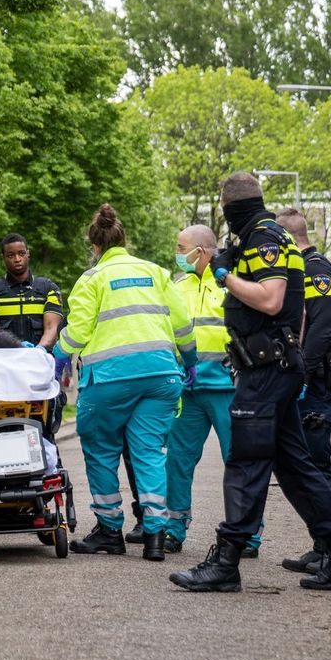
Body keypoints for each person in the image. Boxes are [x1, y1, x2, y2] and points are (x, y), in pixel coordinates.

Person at [169, 172, 331, 592]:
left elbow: (272, 299)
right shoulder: (260, 236)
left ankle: (226, 562)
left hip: (266, 370)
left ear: (230, 206)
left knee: (245, 461)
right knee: (295, 466)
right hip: (269, 366)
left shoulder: (263, 237)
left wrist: (226, 278)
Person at [53, 204, 197, 560]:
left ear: (95, 247)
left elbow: (80, 331)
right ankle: (155, 536)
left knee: (101, 449)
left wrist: (57, 353)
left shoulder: (92, 279)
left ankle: (110, 530)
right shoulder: (156, 272)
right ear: (123, 240)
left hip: (111, 379)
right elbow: (182, 324)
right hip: (162, 376)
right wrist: (189, 360)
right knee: (149, 452)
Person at [123, 225, 264, 557]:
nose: (177, 253)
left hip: (229, 388)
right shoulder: (177, 286)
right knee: (178, 462)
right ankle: (173, 528)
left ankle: (248, 535)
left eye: (180, 247)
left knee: (240, 461)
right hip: (188, 391)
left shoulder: (232, 284)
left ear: (201, 251)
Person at [274, 207, 331, 574]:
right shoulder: (308, 269)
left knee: (317, 466)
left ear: (288, 239)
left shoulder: (317, 272)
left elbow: (318, 332)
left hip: (318, 383)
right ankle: (323, 545)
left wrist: (300, 377)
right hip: (314, 381)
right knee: (307, 463)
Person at [0, 233, 64, 350]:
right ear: (3, 257)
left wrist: (39, 350)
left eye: (21, 253)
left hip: (39, 361)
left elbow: (52, 328)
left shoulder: (48, 288)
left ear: (28, 253)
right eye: (11, 255)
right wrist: (16, 346)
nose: (17, 259)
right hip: (3, 362)